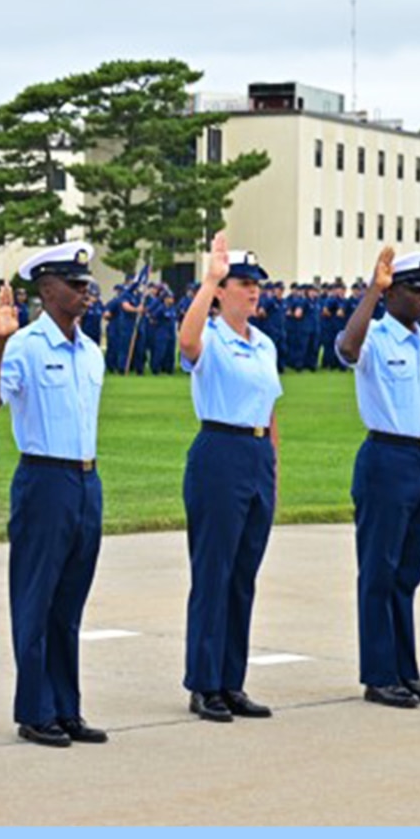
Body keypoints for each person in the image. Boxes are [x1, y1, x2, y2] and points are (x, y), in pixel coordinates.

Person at [0, 242, 108, 748]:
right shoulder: (24, 346)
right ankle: (34, 710)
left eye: (87, 283)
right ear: (47, 289)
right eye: (75, 285)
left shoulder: (91, 352)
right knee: (35, 600)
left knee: (68, 604)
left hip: (86, 482)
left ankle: (65, 706)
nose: (85, 292)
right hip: (43, 480)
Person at [335, 248, 420, 709]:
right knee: (379, 574)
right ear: (394, 293)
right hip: (387, 459)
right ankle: (380, 675)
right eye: (418, 291)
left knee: (407, 575)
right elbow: (347, 348)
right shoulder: (376, 337)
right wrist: (373, 290)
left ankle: (407, 671)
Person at [176, 232, 282, 723]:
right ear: (222, 290)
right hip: (220, 450)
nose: (253, 291)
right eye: (242, 283)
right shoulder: (211, 336)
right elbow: (187, 342)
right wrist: (209, 281)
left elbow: (271, 406)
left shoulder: (264, 344)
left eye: (256, 284)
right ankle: (204, 683)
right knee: (214, 572)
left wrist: (273, 466)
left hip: (256, 455)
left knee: (243, 576)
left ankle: (231, 680)